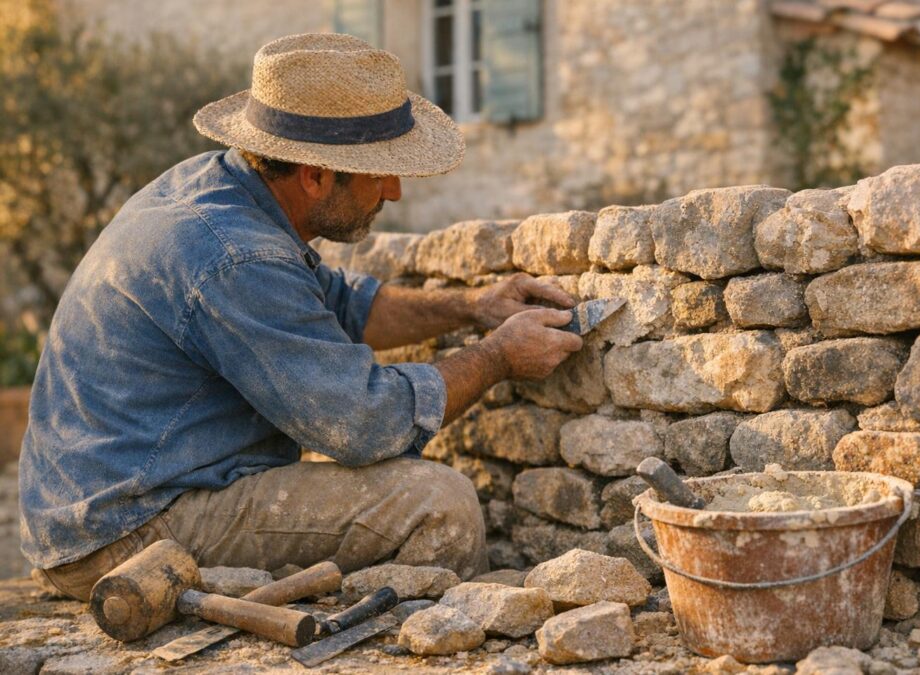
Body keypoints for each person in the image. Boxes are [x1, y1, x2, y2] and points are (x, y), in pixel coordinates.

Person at [19, 33, 583, 602]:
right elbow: (364, 424)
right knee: (438, 504)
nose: (394, 191)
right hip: (128, 531)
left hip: (101, 504)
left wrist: (472, 305)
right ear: (314, 174)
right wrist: (497, 357)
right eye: (378, 172)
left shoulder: (221, 189)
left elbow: (344, 306)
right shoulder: (236, 254)